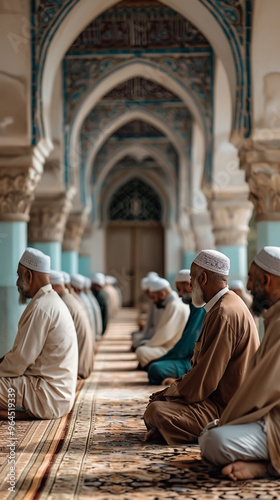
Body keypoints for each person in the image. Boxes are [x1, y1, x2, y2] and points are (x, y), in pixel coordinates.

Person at [144, 249, 259, 445]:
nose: (190, 284)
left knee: (157, 410)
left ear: (203, 278)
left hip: (227, 407)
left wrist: (170, 393)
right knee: (161, 405)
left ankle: (183, 430)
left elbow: (206, 379)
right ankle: (171, 430)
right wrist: (173, 391)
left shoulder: (224, 312)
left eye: (192, 278)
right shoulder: (223, 305)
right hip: (217, 398)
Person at [199, 246, 280, 480]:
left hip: (275, 423)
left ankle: (267, 467)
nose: (246, 288)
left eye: (251, 280)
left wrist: (229, 421)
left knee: (214, 441)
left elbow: (261, 390)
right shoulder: (273, 319)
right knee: (210, 432)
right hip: (270, 416)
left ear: (266, 280)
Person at [0, 248, 78, 420]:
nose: (17, 283)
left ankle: (20, 413)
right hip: (56, 394)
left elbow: (20, 361)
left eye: (19, 276)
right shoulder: (50, 301)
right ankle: (15, 414)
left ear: (28, 275)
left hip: (47, 395)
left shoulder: (41, 307)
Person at [147, 269, 206, 385]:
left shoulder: (200, 306)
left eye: (179, 290)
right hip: (188, 357)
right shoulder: (194, 305)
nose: (178, 294)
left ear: (189, 285)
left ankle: (185, 380)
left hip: (196, 362)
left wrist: (164, 358)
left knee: (155, 368)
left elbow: (187, 345)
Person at [135, 277, 190, 369]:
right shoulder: (170, 303)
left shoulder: (174, 305)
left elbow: (166, 334)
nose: (153, 301)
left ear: (162, 294)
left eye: (153, 297)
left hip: (171, 348)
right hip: (166, 345)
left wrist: (149, 343)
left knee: (141, 351)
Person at [50, 270, 94, 379]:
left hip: (79, 368)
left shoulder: (65, 303)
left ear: (52, 286)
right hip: (85, 362)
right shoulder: (70, 299)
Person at [132, 276, 163, 350]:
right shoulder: (156, 301)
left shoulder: (166, 304)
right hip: (153, 334)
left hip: (159, 339)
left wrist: (147, 340)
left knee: (140, 347)